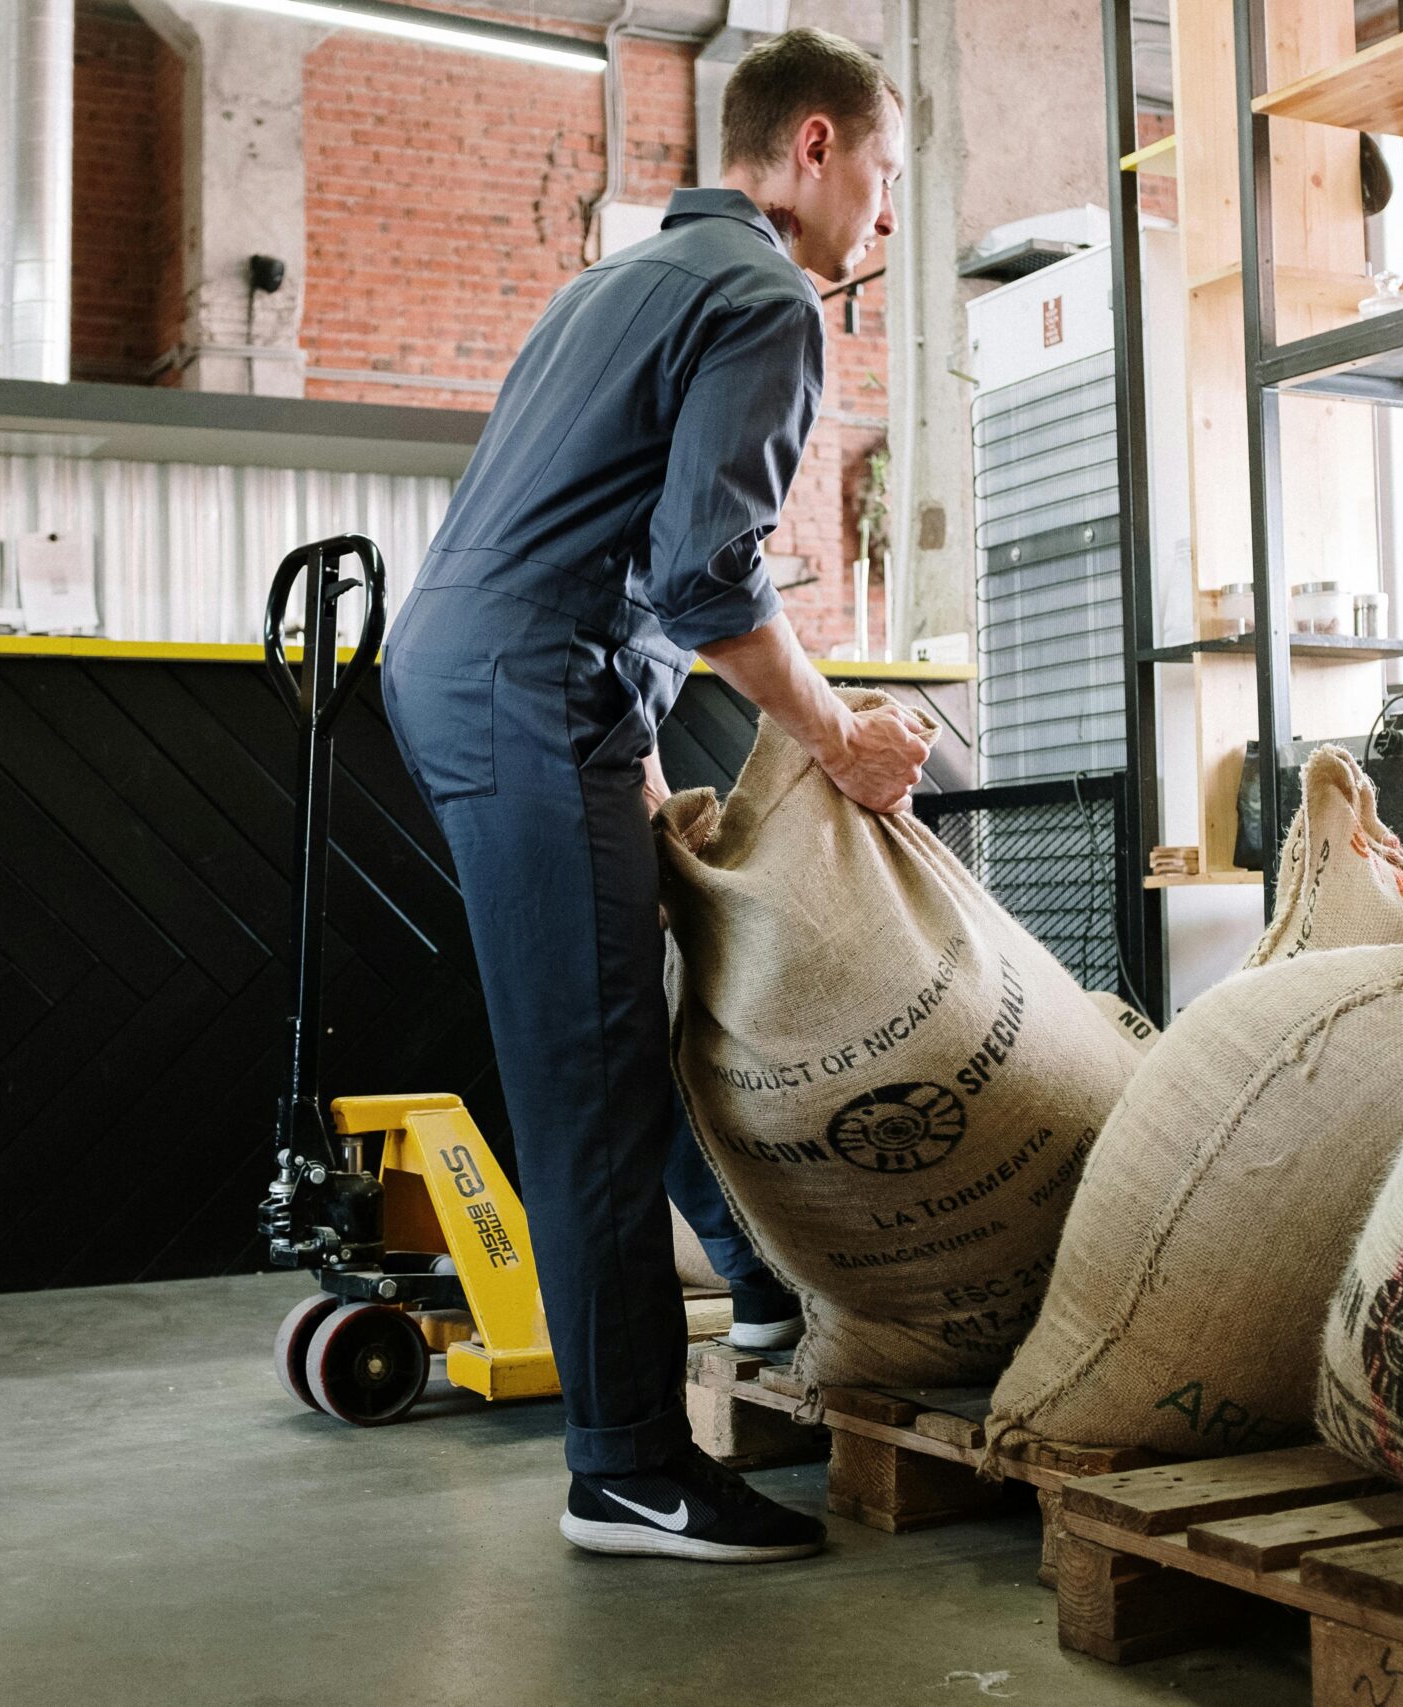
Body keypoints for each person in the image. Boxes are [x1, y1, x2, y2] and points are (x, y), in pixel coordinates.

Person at [380, 27, 927, 1564]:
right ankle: (623, 1466)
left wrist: (617, 726)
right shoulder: (764, 295)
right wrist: (837, 736)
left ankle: (753, 1294)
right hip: (526, 685)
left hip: (485, 671)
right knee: (590, 1069)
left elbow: (593, 533)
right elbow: (704, 577)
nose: (880, 220)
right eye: (881, 180)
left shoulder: (612, 281)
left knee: (637, 997)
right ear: (812, 148)